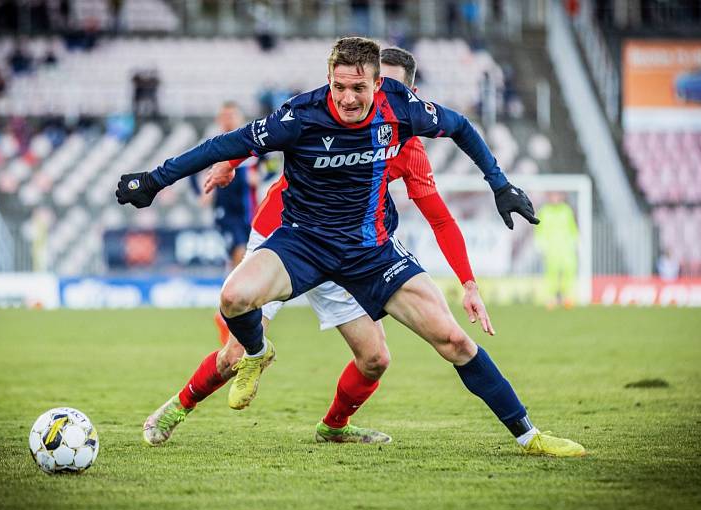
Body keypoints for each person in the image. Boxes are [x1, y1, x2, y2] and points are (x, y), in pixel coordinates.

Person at [118, 38, 584, 456]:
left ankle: (528, 435)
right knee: (233, 304)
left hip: (369, 251)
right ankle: (229, 373)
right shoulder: (300, 116)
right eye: (339, 87)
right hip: (301, 241)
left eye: (359, 88)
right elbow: (229, 141)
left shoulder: (402, 112)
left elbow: (460, 128)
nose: (348, 98)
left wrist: (499, 185)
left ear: (379, 85)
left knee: (442, 343)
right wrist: (156, 180)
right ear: (329, 81)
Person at [193, 102, 262, 343]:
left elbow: (271, 168)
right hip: (226, 214)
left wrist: (260, 178)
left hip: (252, 215)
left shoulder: (252, 146)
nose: (227, 120)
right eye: (223, 116)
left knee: (247, 261)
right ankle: (229, 312)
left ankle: (232, 312)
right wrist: (203, 190)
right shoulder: (217, 146)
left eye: (231, 115)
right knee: (239, 254)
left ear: (240, 117)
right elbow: (196, 171)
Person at [534, 191, 579, 309]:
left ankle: (567, 298)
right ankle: (551, 298)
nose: (555, 198)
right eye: (552, 195)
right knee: (551, 274)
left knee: (569, 271)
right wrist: (540, 243)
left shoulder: (566, 210)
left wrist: (576, 240)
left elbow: (572, 227)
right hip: (551, 248)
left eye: (557, 195)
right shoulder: (544, 211)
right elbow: (539, 229)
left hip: (566, 248)